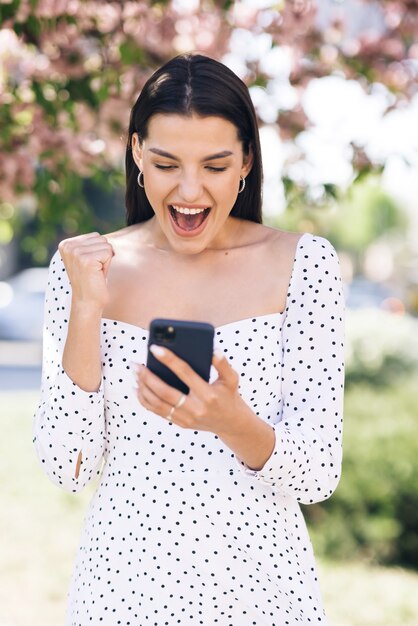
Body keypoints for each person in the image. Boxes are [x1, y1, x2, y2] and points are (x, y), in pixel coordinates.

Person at [33, 53, 345, 626]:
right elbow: (68, 467)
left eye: (216, 165)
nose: (190, 190)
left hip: (263, 593)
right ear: (136, 154)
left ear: (247, 160)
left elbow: (319, 473)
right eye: (167, 163)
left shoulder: (304, 265)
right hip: (120, 591)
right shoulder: (83, 269)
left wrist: (232, 421)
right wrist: (89, 308)